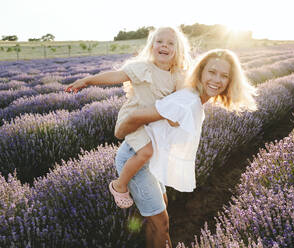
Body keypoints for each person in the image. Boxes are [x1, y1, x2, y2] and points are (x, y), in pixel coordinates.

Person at [115, 48, 258, 248]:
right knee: (161, 223)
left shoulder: (196, 100)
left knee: (160, 216)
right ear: (200, 72)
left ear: (230, 81)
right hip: (137, 159)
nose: (217, 80)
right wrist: (120, 134)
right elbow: (135, 117)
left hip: (152, 158)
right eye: (212, 72)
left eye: (224, 75)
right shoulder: (187, 101)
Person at [65, 26, 192, 209]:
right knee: (147, 152)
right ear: (151, 46)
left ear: (178, 49)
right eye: (159, 41)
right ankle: (119, 185)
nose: (164, 46)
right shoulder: (142, 68)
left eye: (170, 43)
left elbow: (182, 99)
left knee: (159, 153)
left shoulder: (177, 75)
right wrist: (87, 80)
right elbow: (115, 76)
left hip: (154, 122)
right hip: (134, 120)